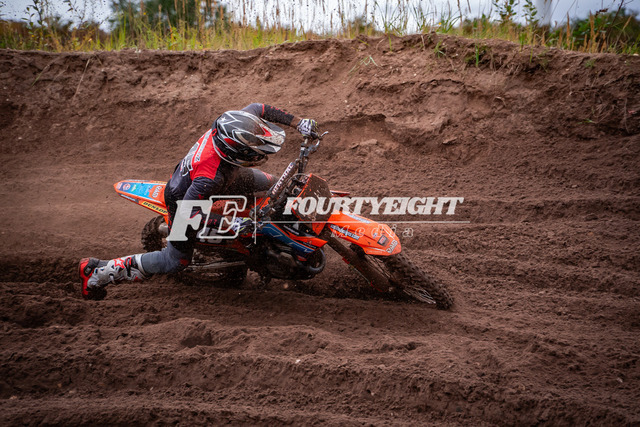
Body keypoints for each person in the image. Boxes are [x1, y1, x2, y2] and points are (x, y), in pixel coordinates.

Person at [79, 103, 318, 300]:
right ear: (236, 153)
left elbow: (259, 108)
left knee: (276, 186)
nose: (259, 153)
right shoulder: (209, 178)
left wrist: (299, 123)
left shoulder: (232, 124)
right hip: (183, 201)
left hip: (228, 175)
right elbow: (189, 214)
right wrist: (232, 224)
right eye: (253, 150)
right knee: (175, 261)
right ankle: (98, 272)